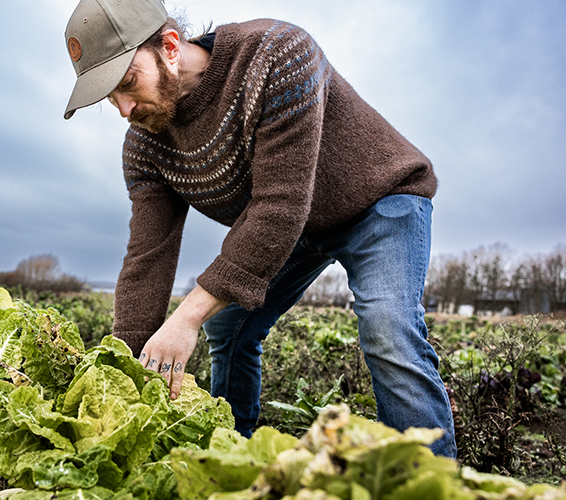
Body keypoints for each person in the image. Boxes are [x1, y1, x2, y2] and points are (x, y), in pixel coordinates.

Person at [62, 0, 456, 458]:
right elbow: (148, 257)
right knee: (230, 327)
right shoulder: (146, 144)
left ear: (169, 47)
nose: (124, 108)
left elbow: (279, 205)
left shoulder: (276, 55)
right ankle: (235, 456)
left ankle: (432, 477)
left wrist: (185, 317)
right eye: (109, 97)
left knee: (388, 328)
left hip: (380, 201)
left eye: (127, 83)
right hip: (299, 227)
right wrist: (122, 370)